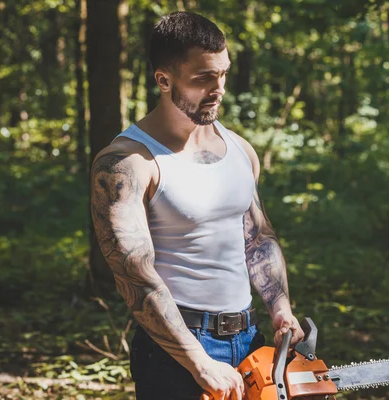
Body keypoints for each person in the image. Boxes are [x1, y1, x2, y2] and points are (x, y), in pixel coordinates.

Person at [90, 11, 304, 400]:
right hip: (175, 349)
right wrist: (197, 359)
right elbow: (135, 278)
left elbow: (257, 238)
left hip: (250, 340)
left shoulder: (239, 149)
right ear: (164, 80)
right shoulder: (128, 163)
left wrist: (279, 307)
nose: (218, 87)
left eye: (222, 73)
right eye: (203, 77)